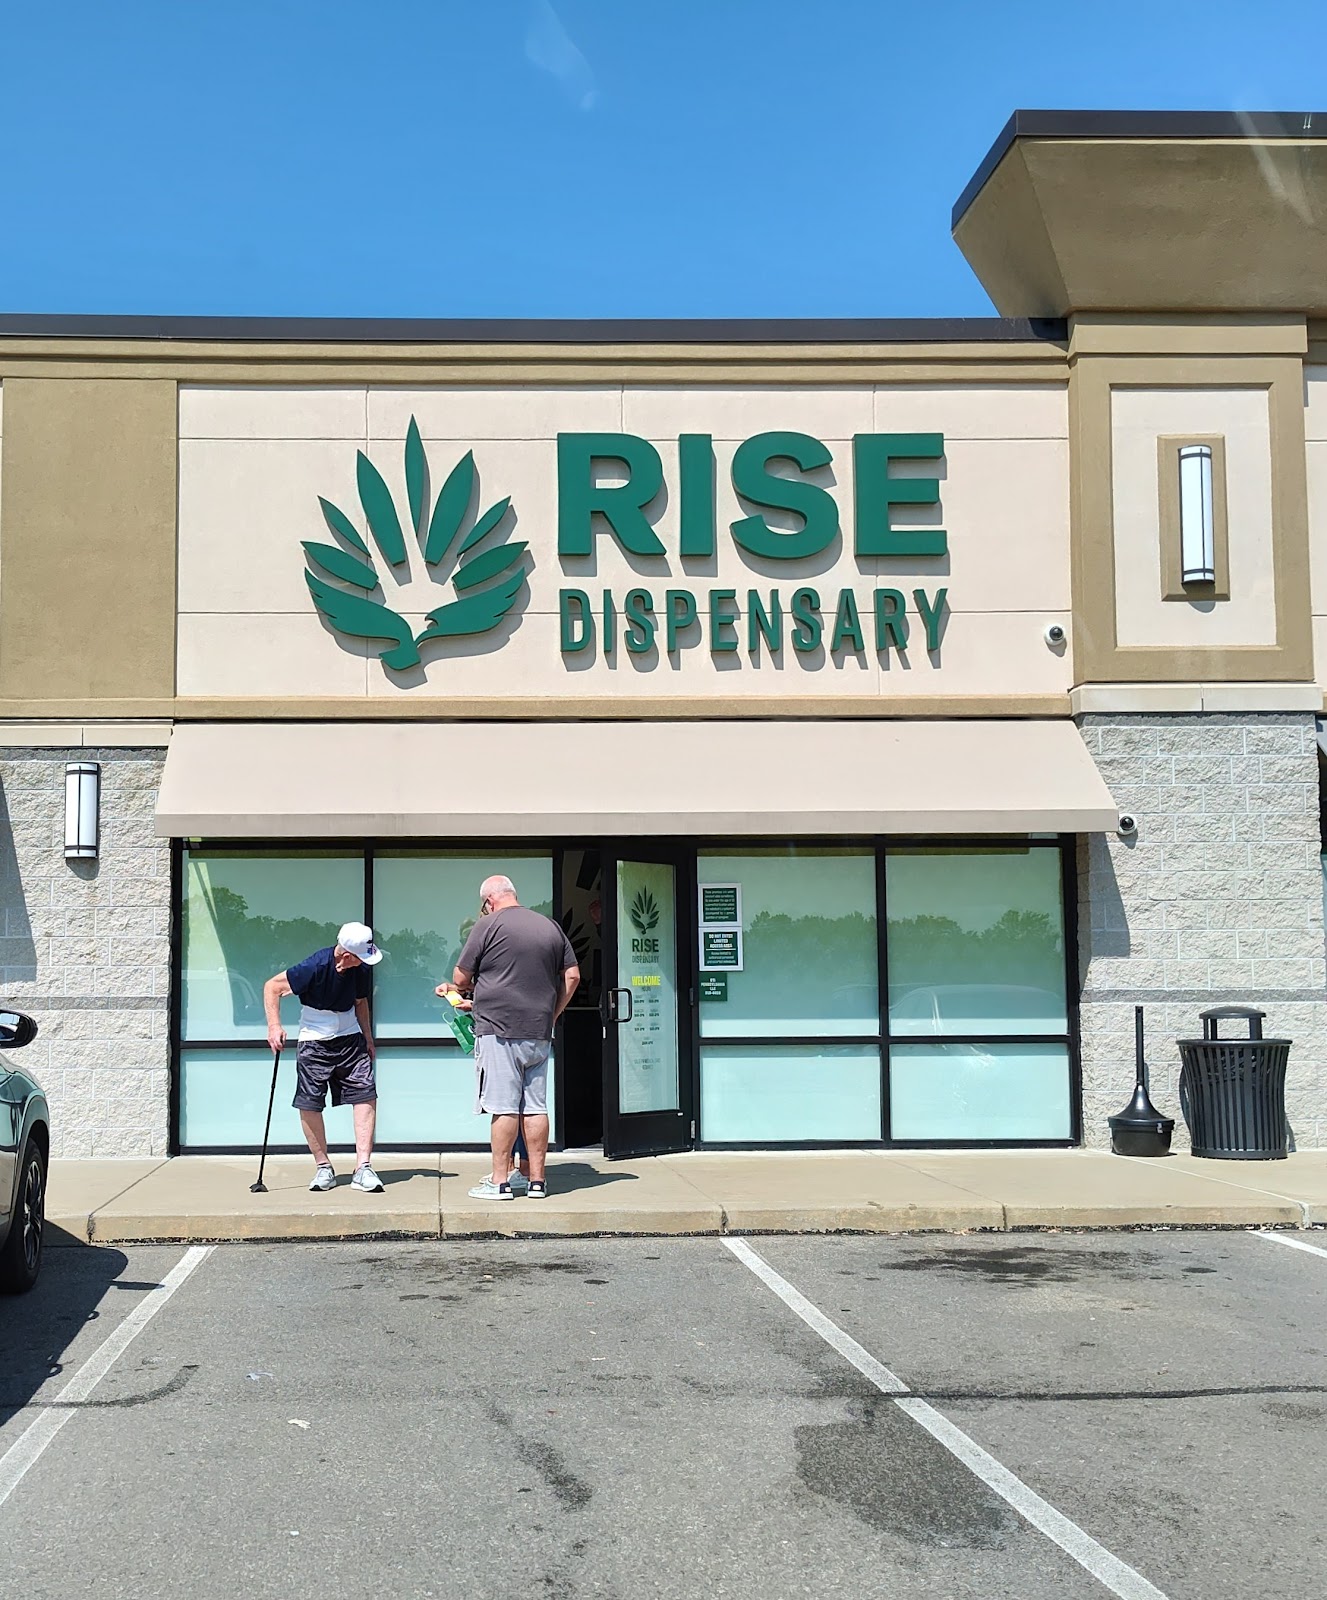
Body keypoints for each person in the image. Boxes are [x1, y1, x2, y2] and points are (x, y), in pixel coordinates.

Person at [438, 875, 579, 1200]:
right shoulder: (549, 927)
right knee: (536, 1107)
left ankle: (499, 1182)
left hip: (499, 1030)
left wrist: (462, 989)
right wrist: (553, 1013)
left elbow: (461, 977)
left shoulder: (487, 925)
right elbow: (572, 976)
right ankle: (537, 1182)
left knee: (503, 1108)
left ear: (489, 901)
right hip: (538, 1031)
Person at [264, 920, 385, 1193]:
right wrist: (274, 1027)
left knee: (365, 1094)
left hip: (350, 1037)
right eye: (361, 957)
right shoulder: (315, 967)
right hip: (314, 1040)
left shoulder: (361, 968)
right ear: (346, 955)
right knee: (309, 1101)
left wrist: (368, 1038)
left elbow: (360, 1002)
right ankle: (323, 1167)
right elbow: (272, 987)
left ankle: (363, 1168)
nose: (365, 962)